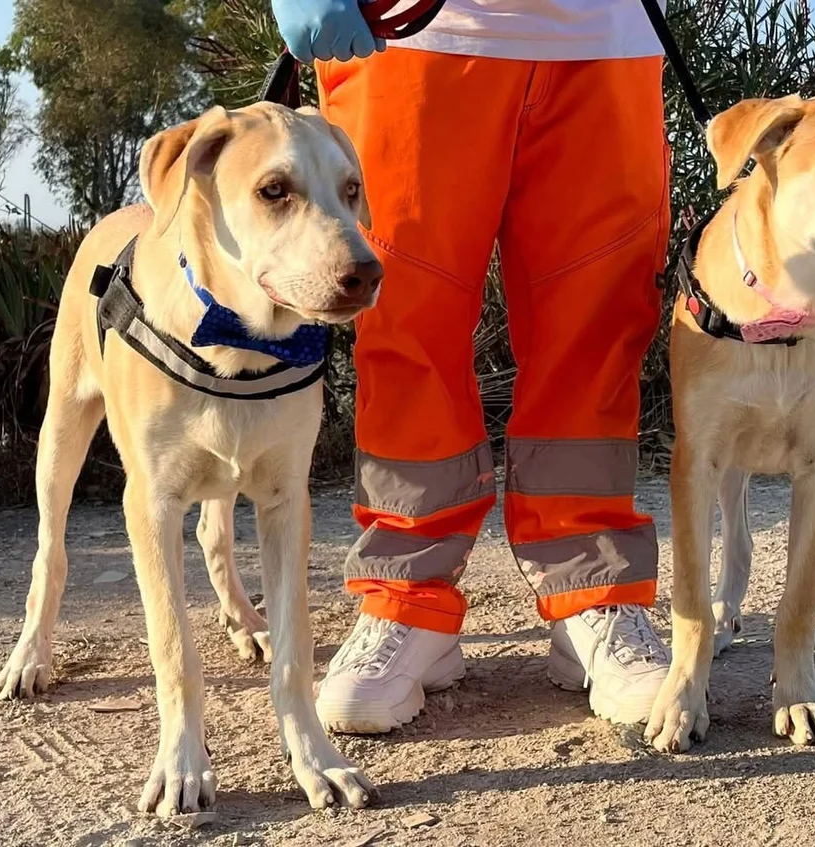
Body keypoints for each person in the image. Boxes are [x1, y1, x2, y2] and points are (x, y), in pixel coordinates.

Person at [272, 0, 672, 733]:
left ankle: (594, 589)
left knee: (599, 317)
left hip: (606, 33)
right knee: (400, 313)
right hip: (410, 28)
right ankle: (407, 595)